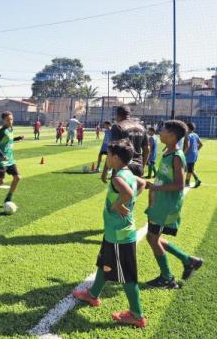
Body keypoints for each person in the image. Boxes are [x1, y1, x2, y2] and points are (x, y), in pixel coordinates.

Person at [73, 139, 147, 328]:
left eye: (108, 155)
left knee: (127, 277)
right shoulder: (128, 172)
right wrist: (127, 202)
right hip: (114, 233)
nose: (106, 158)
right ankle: (92, 295)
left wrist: (118, 205)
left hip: (120, 237)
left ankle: (137, 315)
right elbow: (143, 183)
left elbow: (128, 193)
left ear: (115, 157)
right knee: (104, 264)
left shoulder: (117, 178)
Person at [145, 120, 203, 289]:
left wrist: (154, 187)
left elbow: (179, 184)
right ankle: (189, 261)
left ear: (171, 136)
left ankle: (167, 278)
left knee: (153, 238)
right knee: (153, 238)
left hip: (166, 205)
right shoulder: (168, 152)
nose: (159, 133)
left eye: (162, 131)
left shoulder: (177, 156)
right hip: (159, 202)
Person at [110, 106, 149, 177]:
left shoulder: (117, 127)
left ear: (117, 115)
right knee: (134, 188)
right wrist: (142, 167)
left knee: (119, 188)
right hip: (138, 166)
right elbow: (147, 150)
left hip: (123, 168)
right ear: (129, 115)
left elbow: (113, 149)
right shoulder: (141, 127)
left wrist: (105, 170)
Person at [184, 122, 203, 188]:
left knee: (189, 170)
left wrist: (183, 154)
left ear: (188, 128)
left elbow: (187, 146)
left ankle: (188, 182)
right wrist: (196, 150)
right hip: (194, 155)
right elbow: (201, 144)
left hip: (189, 155)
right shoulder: (195, 135)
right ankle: (194, 180)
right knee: (190, 169)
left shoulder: (188, 136)